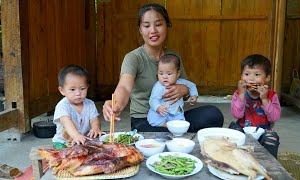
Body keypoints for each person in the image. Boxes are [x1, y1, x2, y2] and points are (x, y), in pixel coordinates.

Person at [102, 3, 224, 132]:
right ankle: (175, 135)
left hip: (173, 116)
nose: (153, 30)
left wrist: (185, 90)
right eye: (147, 26)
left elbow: (186, 88)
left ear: (167, 25)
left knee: (213, 114)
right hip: (145, 120)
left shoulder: (173, 56)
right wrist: (117, 104)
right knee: (163, 135)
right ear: (140, 29)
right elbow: (124, 87)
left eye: (159, 24)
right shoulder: (134, 58)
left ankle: (175, 134)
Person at [229, 54, 281, 158]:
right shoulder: (238, 93)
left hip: (263, 133)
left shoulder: (271, 95)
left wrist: (265, 99)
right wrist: (242, 95)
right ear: (241, 76)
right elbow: (237, 115)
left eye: (257, 75)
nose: (251, 79)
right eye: (247, 74)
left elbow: (274, 117)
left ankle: (269, 165)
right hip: (243, 130)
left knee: (272, 137)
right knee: (232, 130)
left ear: (267, 78)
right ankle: (235, 159)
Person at [52, 65, 104, 150]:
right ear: (62, 90)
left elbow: (94, 119)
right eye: (72, 89)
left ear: (87, 87)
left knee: (98, 150)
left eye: (82, 89)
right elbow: (66, 122)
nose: (78, 93)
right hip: (63, 142)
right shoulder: (62, 106)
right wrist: (76, 135)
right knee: (65, 155)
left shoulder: (90, 104)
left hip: (81, 140)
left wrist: (96, 128)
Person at [147, 54, 198, 127]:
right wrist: (158, 107)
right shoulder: (159, 86)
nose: (164, 77)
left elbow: (192, 85)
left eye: (169, 74)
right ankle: (165, 125)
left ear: (178, 74)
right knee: (153, 118)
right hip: (162, 112)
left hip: (176, 112)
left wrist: (194, 95)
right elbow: (153, 99)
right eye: (161, 73)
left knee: (181, 124)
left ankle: (174, 126)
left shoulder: (181, 82)